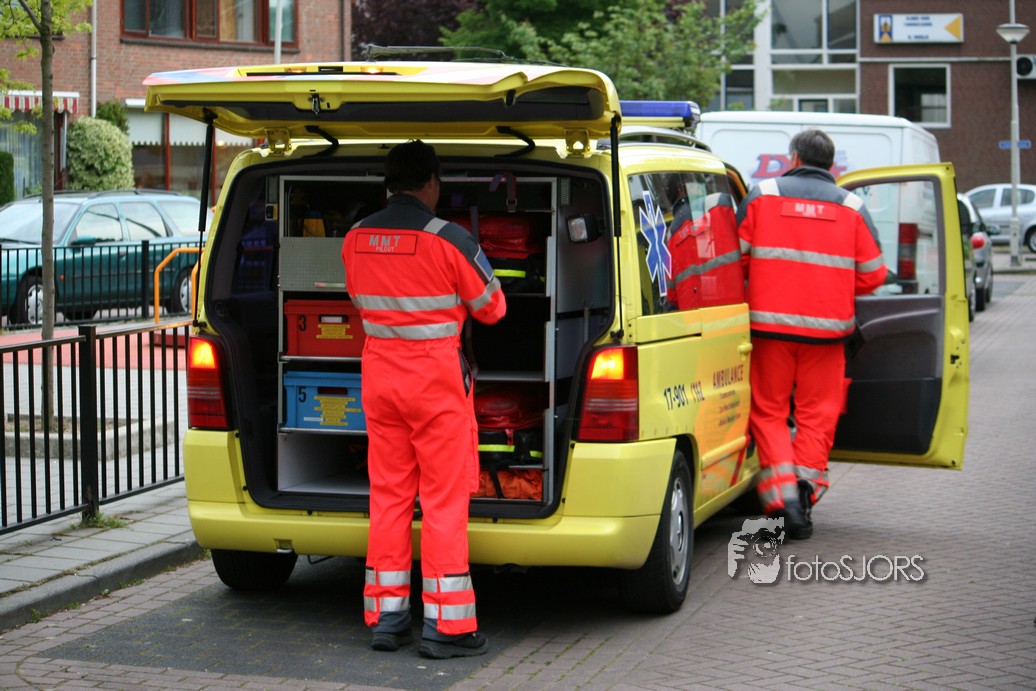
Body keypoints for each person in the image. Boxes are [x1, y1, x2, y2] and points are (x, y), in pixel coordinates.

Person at [341, 140, 507, 658]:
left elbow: (358, 299)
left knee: (389, 497)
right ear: (431, 182)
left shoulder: (355, 238)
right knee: (442, 501)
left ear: (388, 183)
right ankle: (447, 626)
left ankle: (387, 618)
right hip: (435, 385)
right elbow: (493, 308)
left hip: (381, 380)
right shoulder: (451, 240)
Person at [735, 129, 887, 540]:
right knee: (817, 415)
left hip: (769, 330)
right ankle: (804, 494)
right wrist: (833, 285)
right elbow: (874, 275)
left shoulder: (763, 195)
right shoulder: (852, 206)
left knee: (768, 412)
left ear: (795, 158)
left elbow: (736, 259)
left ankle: (784, 498)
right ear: (831, 164)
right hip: (827, 334)